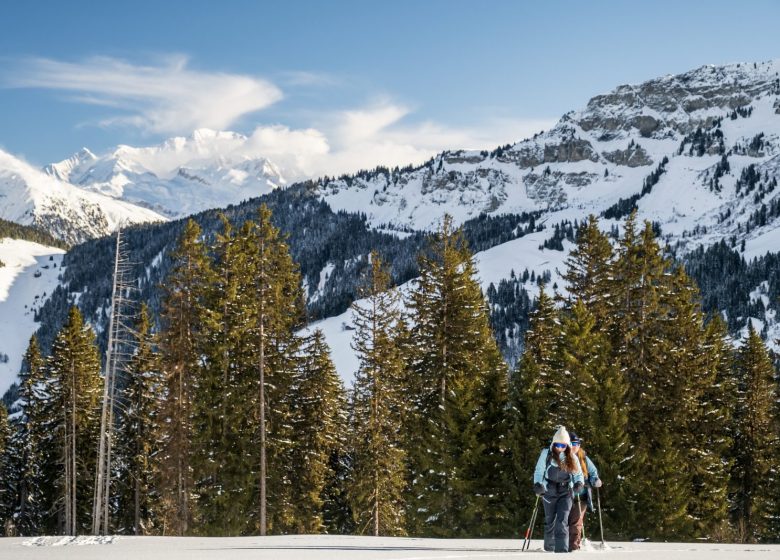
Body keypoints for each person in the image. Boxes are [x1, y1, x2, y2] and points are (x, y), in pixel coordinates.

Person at [533, 426, 584, 553]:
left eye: (563, 445)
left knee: (562, 519)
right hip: (548, 489)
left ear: (567, 445)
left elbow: (578, 474)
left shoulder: (571, 456)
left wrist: (579, 483)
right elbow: (539, 471)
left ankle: (562, 550)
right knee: (550, 519)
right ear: (553, 443)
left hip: (565, 490)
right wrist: (538, 484)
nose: (560, 448)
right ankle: (549, 548)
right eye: (558, 444)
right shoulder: (546, 454)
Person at [567, 431, 602, 551]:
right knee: (564, 521)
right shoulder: (562, 457)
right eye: (571, 443)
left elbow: (593, 473)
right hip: (565, 496)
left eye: (576, 443)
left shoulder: (584, 458)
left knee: (576, 522)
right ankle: (562, 544)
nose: (574, 446)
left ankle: (574, 546)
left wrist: (595, 480)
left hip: (581, 497)